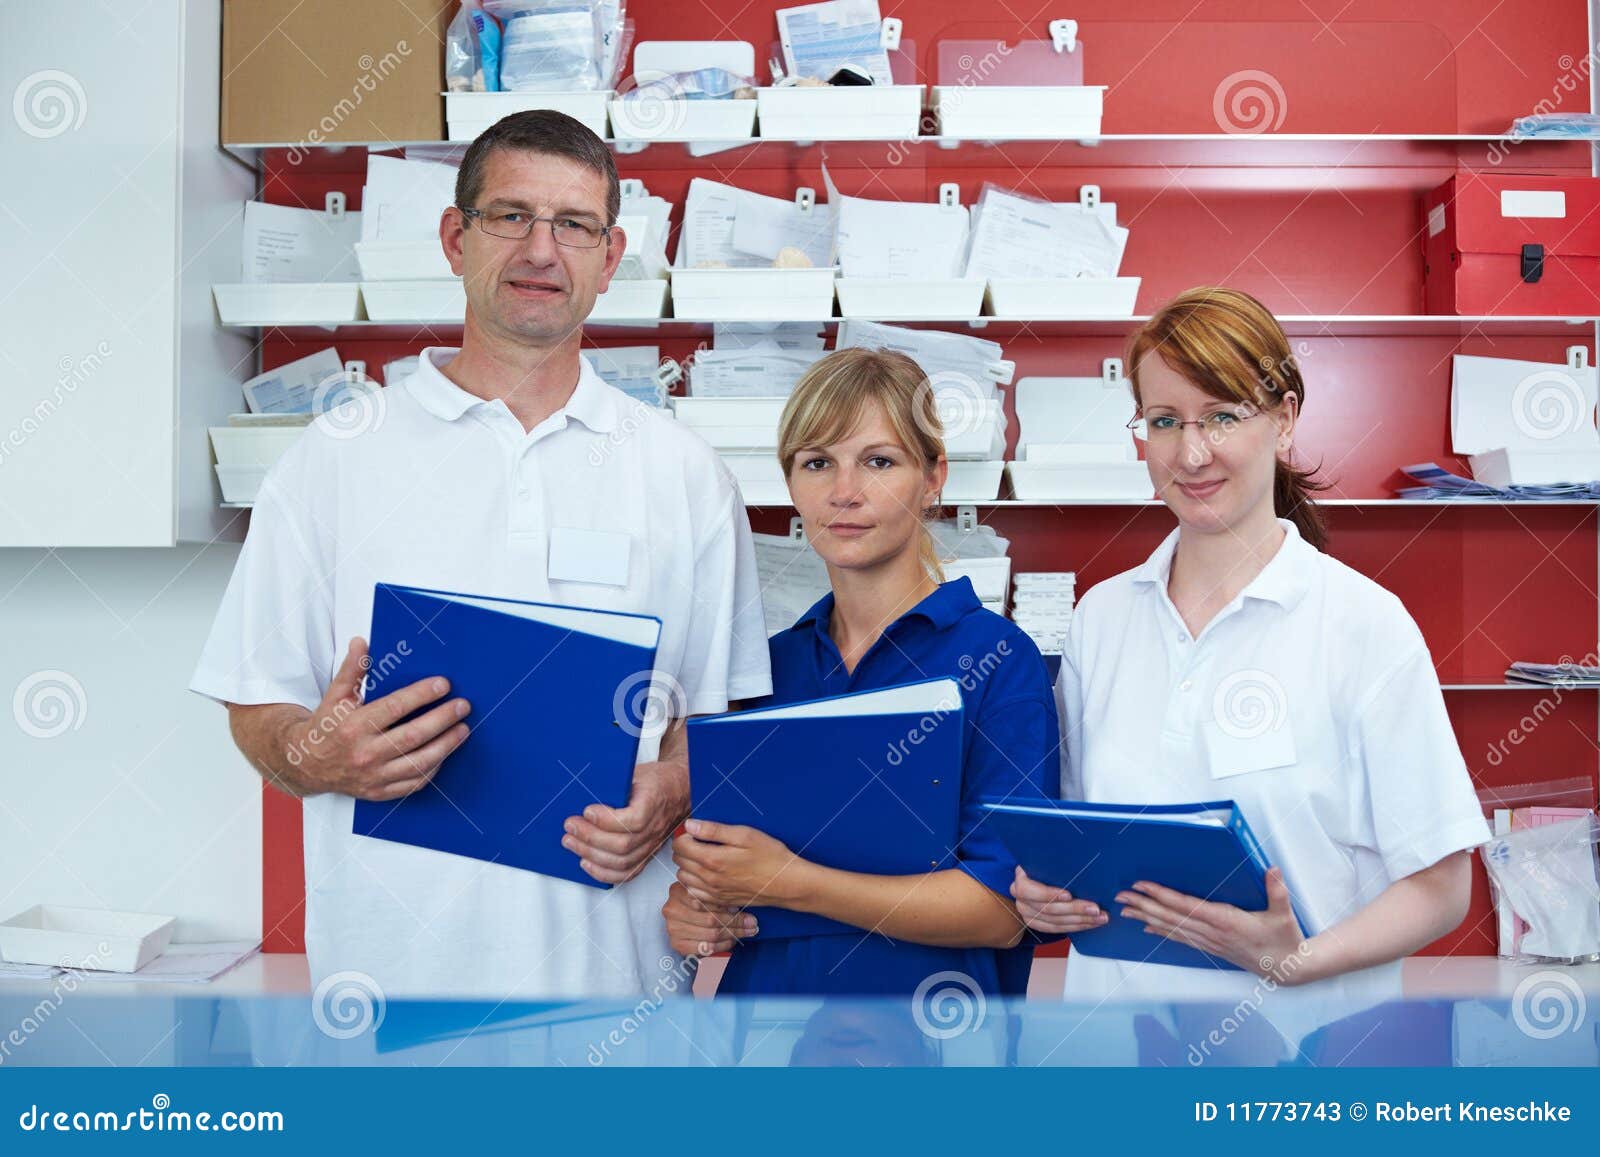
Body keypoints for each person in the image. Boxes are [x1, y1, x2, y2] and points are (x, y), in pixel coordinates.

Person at [189, 110, 772, 998]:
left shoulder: (685, 475)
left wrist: (671, 792)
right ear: (455, 237)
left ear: (610, 260)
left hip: (616, 998)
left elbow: (713, 718)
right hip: (390, 991)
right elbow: (259, 705)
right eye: (510, 216)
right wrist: (317, 754)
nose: (542, 250)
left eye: (573, 225)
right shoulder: (335, 458)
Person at [1011, 287, 1490, 1021]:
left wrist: (1295, 963)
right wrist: (1041, 892)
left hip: (1299, 1060)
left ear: (1285, 419)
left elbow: (1442, 884)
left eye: (1223, 416)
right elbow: (1078, 836)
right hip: (1113, 1053)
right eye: (1164, 421)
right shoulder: (1102, 617)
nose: (1190, 452)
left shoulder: (1363, 624)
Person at [663, 347, 1060, 996]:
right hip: (772, 1044)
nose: (844, 491)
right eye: (818, 462)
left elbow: (1002, 910)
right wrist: (696, 910)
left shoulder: (997, 661)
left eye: (879, 461)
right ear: (790, 482)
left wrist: (795, 881)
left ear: (933, 478)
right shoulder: (767, 669)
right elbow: (722, 886)